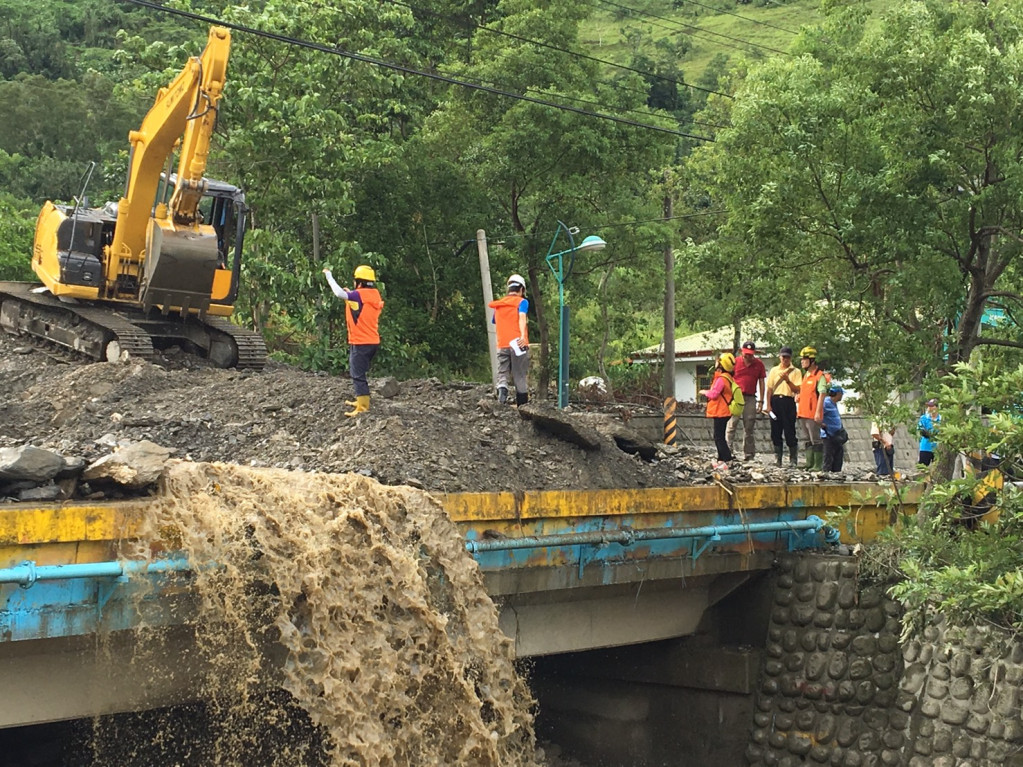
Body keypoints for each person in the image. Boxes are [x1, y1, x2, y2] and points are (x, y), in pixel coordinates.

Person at [323, 265, 384, 417]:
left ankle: (363, 407)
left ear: (358, 281)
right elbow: (360, 306)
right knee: (359, 372)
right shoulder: (374, 295)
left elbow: (338, 293)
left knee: (357, 374)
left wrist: (329, 276)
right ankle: (361, 400)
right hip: (372, 341)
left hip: (361, 342)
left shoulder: (358, 295)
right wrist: (350, 295)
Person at [488, 274, 530, 406]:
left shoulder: (499, 305)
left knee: (502, 373)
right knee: (519, 375)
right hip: (518, 344)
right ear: (521, 289)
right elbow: (522, 318)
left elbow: (494, 320)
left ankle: (502, 396)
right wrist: (523, 336)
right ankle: (522, 407)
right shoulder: (522, 302)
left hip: (503, 344)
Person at [727, 341, 767, 462]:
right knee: (731, 424)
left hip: (750, 397)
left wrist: (761, 400)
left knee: (749, 426)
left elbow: (761, 382)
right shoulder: (735, 362)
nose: (748, 357)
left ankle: (749, 454)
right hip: (736, 396)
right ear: (741, 352)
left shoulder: (759, 364)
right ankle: (728, 451)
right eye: (746, 354)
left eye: (750, 354)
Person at [764, 346, 802, 467]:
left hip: (788, 401)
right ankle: (778, 458)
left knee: (790, 430)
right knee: (775, 430)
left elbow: (797, 389)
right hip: (775, 401)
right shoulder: (774, 370)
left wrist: (787, 380)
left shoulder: (796, 371)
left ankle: (793, 458)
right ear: (780, 357)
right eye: (783, 357)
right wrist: (768, 404)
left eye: (787, 357)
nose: (785, 359)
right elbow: (769, 389)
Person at [795, 346, 831, 471]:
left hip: (812, 413)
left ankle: (817, 465)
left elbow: (822, 394)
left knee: (816, 439)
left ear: (812, 360)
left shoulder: (819, 376)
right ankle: (809, 463)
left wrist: (817, 412)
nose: (802, 361)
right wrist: (799, 397)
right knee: (807, 439)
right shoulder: (806, 375)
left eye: (804, 359)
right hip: (803, 412)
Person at [699, 353, 738, 468]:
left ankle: (727, 459)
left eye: (717, 361)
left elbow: (714, 394)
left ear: (721, 364)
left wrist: (704, 392)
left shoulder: (722, 379)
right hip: (725, 411)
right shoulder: (729, 377)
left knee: (719, 437)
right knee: (719, 435)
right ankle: (721, 460)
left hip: (721, 411)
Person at [818, 384, 846, 472]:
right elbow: (817, 415)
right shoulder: (825, 403)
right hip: (828, 435)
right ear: (838, 394)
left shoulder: (834, 404)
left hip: (837, 435)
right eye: (841, 394)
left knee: (838, 455)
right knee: (828, 456)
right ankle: (826, 472)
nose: (842, 396)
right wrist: (821, 424)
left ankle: (836, 472)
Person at [917, 398, 941, 466]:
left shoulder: (941, 419)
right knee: (922, 468)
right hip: (925, 447)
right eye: (928, 406)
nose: (929, 408)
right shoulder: (924, 418)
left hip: (937, 448)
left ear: (936, 408)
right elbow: (920, 429)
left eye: (931, 406)